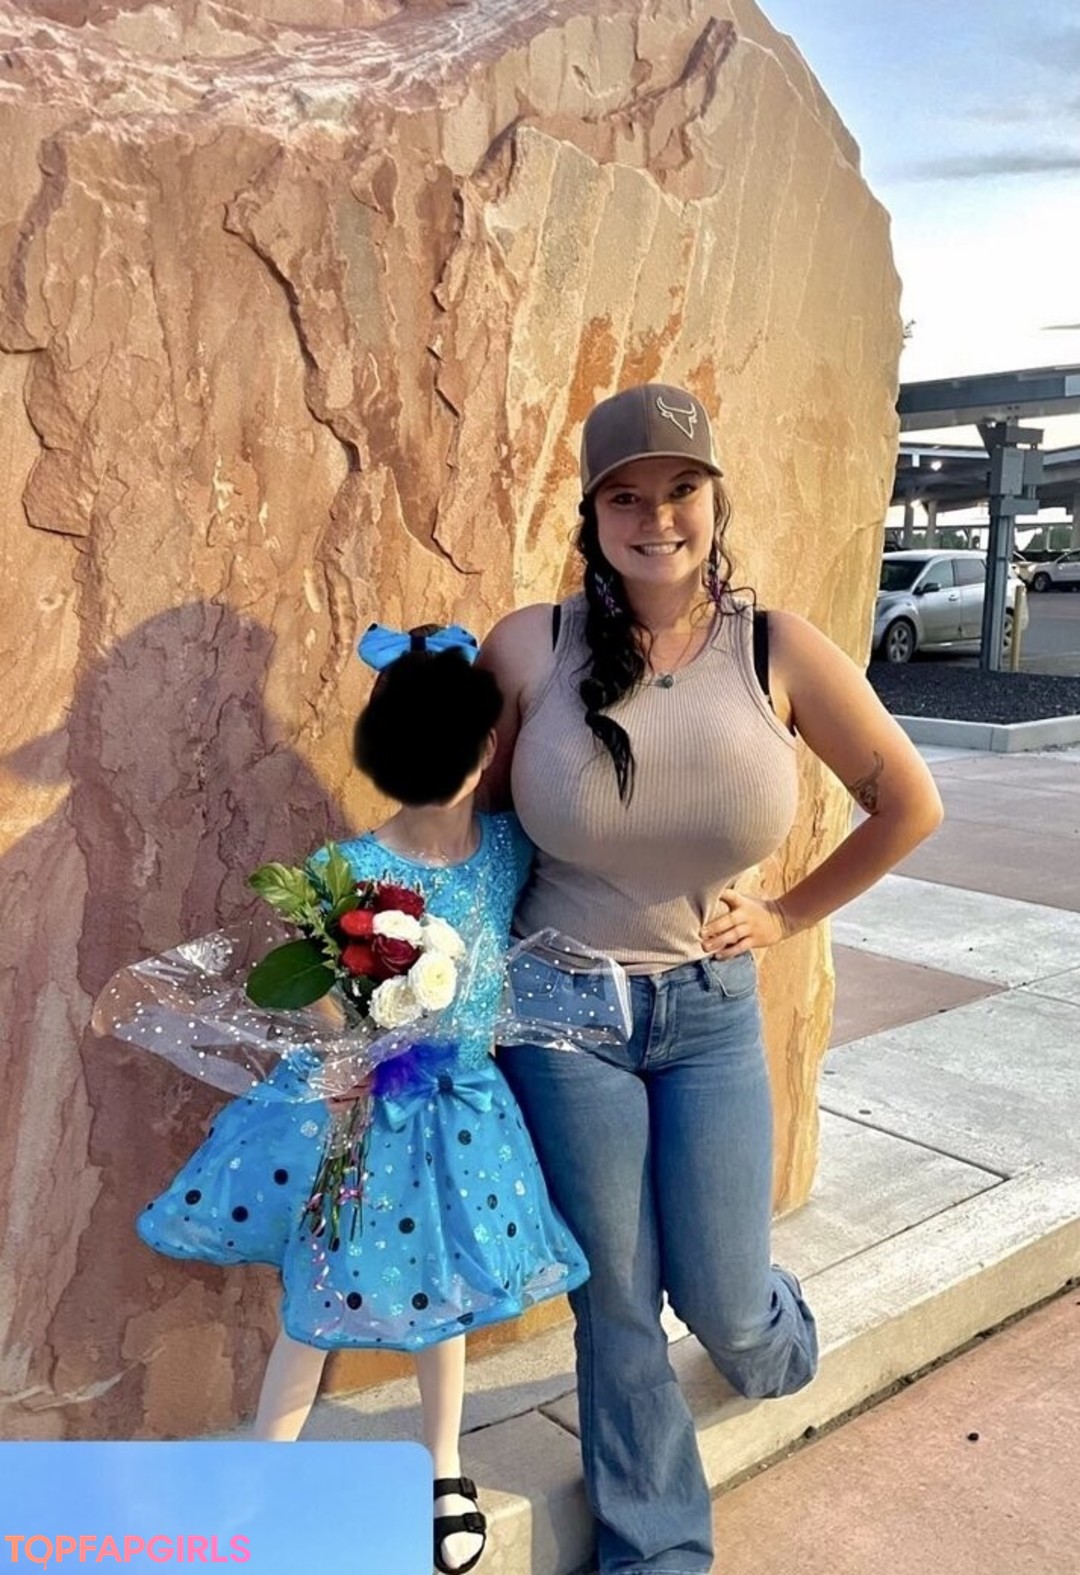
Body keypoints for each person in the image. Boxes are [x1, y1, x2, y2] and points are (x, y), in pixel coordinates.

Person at [478, 383, 944, 1574]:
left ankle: (772, 1341)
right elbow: (475, 828)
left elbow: (909, 803)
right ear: (593, 515)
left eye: (680, 488)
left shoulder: (774, 648)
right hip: (560, 1011)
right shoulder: (529, 647)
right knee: (618, 1300)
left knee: (728, 1301)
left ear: (715, 497)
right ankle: (658, 1549)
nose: (656, 518)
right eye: (625, 497)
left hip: (709, 1013)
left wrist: (788, 914)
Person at [135, 624, 588, 1575]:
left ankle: (442, 1467)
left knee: (444, 1296)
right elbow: (318, 997)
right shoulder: (344, 870)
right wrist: (359, 1035)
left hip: (463, 1116)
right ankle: (264, 1473)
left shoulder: (506, 849)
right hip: (361, 1118)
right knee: (321, 1284)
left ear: (486, 748)